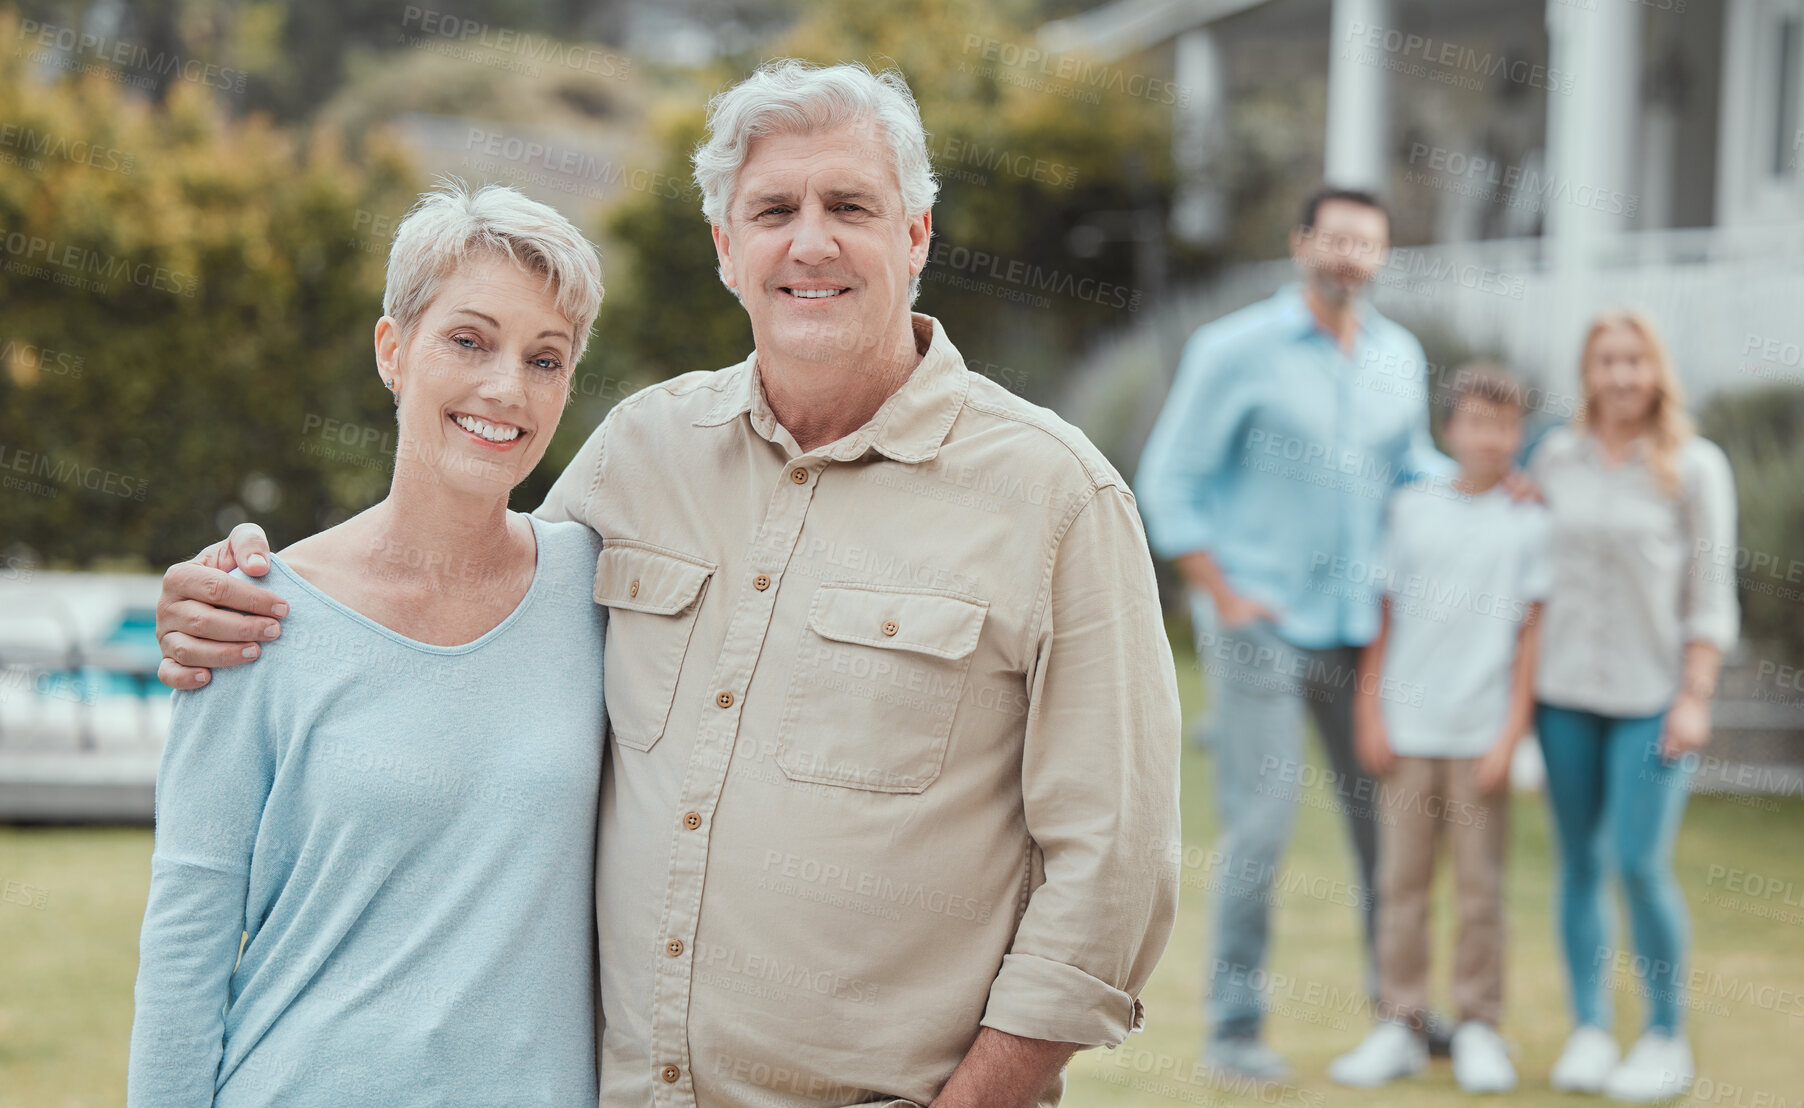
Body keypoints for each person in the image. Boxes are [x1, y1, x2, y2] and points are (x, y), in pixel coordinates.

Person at [152, 60, 1183, 1108]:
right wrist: (232, 590)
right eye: (773, 209)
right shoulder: (638, 454)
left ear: (915, 235)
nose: (810, 241)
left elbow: (1114, 872)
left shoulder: (1056, 497)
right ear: (727, 249)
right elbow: (460, 603)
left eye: (850, 206)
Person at [128, 183, 608, 1105]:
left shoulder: (599, 588)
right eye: (469, 341)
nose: (506, 388)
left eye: (545, 359)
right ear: (394, 350)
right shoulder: (253, 612)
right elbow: (187, 946)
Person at [1135, 186, 1461, 1079]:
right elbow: (1169, 482)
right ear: (1302, 243)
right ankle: (1233, 1031)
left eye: (1369, 244)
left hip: (1362, 631)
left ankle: (1398, 1013)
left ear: (1383, 258)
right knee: (1263, 829)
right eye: (1336, 238)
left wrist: (1489, 480)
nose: (1350, 256)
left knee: (1384, 833)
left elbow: (1411, 469)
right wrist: (1225, 597)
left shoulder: (1399, 355)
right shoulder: (1234, 349)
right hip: (1261, 630)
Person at [1530, 310, 1737, 1102]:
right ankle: (1589, 1030)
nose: (1620, 376)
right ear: (1587, 373)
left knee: (1639, 865)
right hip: (1565, 697)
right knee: (1579, 863)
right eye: (1605, 361)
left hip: (1653, 699)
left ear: (1656, 372)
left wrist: (1695, 696)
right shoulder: (1556, 456)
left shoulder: (1695, 466)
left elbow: (1711, 598)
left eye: (1633, 362)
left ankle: (1663, 1036)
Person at [1327, 366, 1548, 1093]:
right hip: (1408, 730)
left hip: (1480, 734)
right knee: (1402, 885)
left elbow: (1529, 638)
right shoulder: (1411, 509)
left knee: (1481, 889)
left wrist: (1512, 732)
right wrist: (1369, 711)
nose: (1490, 436)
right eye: (1476, 420)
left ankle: (1481, 1025)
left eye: (1505, 423)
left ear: (1519, 434)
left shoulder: (1530, 519)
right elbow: (1383, 621)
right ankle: (1401, 1024)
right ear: (1449, 429)